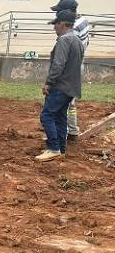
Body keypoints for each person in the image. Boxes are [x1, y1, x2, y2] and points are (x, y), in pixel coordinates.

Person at [36, 10, 85, 162]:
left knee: (47, 115)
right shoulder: (77, 40)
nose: (54, 28)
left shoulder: (64, 40)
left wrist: (49, 83)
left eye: (55, 24)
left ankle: (53, 148)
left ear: (62, 23)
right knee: (60, 117)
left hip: (60, 86)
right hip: (71, 87)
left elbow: (58, 64)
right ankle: (61, 148)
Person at [50, 0, 90, 140]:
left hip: (69, 66)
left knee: (62, 101)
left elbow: (67, 48)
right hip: (78, 63)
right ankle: (72, 130)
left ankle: (62, 134)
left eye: (59, 11)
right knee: (70, 102)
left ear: (67, 11)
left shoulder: (73, 27)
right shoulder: (84, 21)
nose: (57, 15)